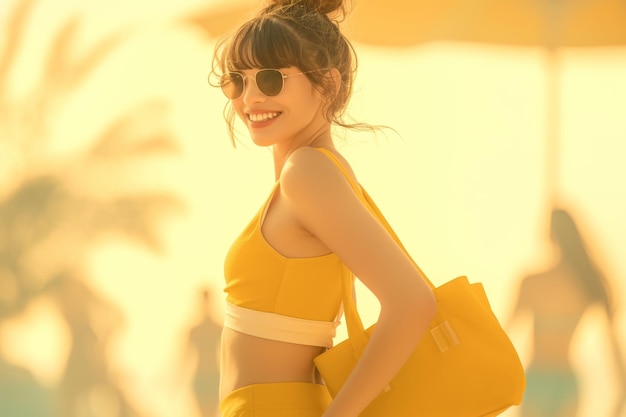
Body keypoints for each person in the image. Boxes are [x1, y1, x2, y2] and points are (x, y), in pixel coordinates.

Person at [208, 0, 437, 416]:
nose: (251, 96)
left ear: (328, 85)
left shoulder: (307, 173)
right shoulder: (317, 173)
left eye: (272, 79)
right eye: (236, 81)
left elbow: (413, 302)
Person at [509, 208, 626, 417]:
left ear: (550, 234)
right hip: (563, 383)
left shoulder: (532, 282)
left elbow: (504, 335)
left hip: (539, 379)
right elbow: (615, 352)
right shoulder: (587, 283)